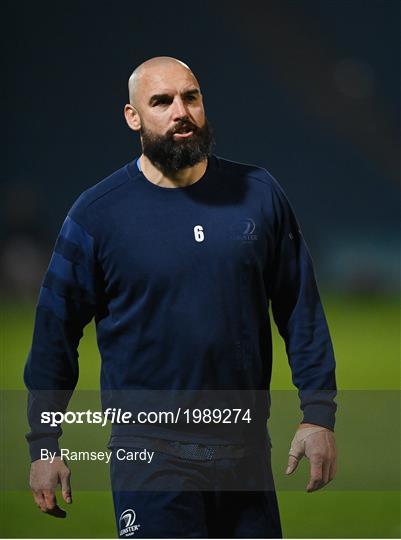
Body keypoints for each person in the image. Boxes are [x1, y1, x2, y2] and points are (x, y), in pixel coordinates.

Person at [25, 56, 337, 538]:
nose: (181, 111)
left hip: (245, 450)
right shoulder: (97, 214)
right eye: (162, 101)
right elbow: (54, 335)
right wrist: (45, 445)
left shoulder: (258, 193)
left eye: (190, 97)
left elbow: (301, 310)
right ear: (133, 117)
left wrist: (318, 415)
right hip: (148, 454)